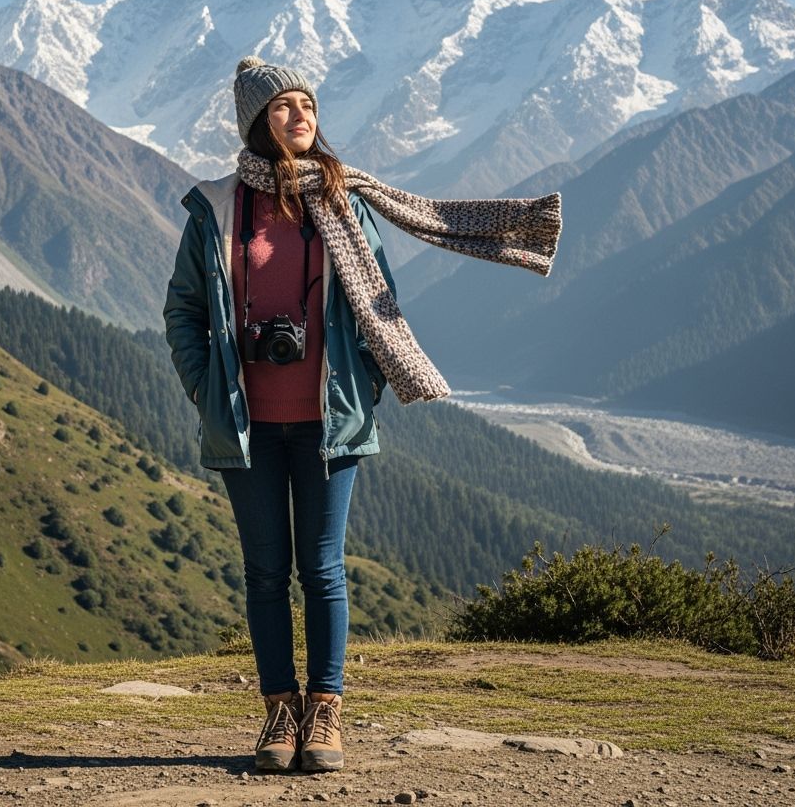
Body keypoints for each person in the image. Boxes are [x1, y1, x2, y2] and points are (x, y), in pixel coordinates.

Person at [164, 56, 562, 774]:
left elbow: (380, 302)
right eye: (283, 106)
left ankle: (326, 710)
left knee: (321, 570)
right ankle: (278, 713)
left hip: (329, 422)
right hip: (246, 423)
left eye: (307, 104)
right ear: (257, 122)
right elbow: (184, 312)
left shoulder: (344, 200)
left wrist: (365, 387)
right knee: (264, 573)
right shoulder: (218, 207)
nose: (300, 115)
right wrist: (205, 387)